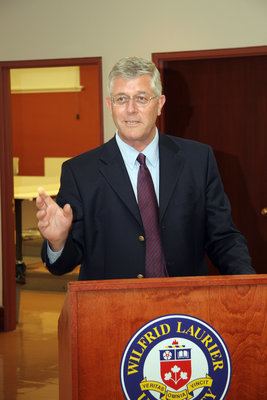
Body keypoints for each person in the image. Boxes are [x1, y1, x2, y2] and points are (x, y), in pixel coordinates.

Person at [36, 56, 255, 280]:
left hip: (183, 308)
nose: (131, 109)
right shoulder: (80, 172)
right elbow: (63, 264)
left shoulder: (198, 161)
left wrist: (249, 286)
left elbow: (223, 237)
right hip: (111, 310)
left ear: (159, 104)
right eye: (121, 99)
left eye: (141, 98)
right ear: (110, 105)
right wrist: (57, 241)